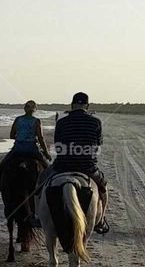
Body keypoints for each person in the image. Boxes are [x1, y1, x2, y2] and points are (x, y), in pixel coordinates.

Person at [36, 92, 110, 234]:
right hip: (88, 166)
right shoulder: (96, 122)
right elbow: (98, 145)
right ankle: (101, 220)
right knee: (103, 187)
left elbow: (58, 144)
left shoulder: (62, 121)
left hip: (62, 165)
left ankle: (37, 216)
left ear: (72, 105)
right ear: (87, 106)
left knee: (40, 182)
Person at [0, 100, 50, 196]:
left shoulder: (18, 119)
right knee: (47, 167)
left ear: (24, 108)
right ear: (35, 109)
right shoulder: (37, 121)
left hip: (18, 149)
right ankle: (50, 188)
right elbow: (41, 138)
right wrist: (46, 153)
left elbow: (11, 135)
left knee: (3, 164)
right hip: (32, 150)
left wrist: (21, 137)